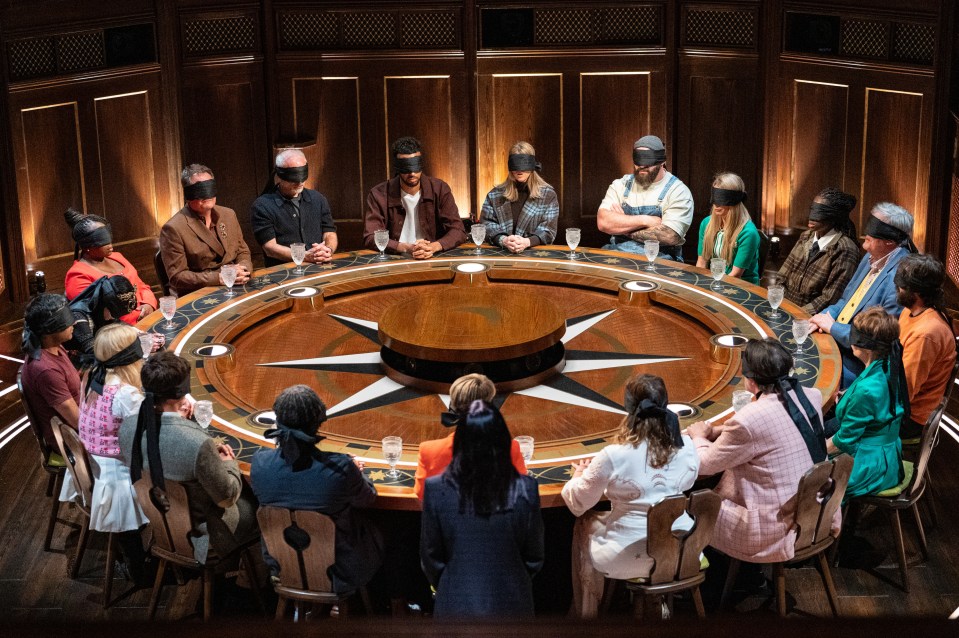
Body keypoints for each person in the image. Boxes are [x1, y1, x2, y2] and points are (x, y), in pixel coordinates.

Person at [562, 373, 699, 618]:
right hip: (683, 551)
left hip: (628, 557)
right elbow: (687, 481)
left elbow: (579, 503)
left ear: (628, 407)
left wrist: (578, 476)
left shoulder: (613, 455)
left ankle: (586, 616)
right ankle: (657, 601)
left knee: (584, 522)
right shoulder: (687, 445)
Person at [687, 339, 830, 564]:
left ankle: (725, 580)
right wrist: (719, 430)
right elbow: (774, 423)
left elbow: (705, 463)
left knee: (694, 505)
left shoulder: (748, 420)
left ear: (751, 381)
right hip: (818, 513)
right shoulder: (810, 396)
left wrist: (699, 436)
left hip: (774, 530)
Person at [119, 351, 258, 562]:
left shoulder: (127, 427)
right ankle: (253, 575)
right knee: (259, 502)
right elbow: (227, 498)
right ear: (181, 392)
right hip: (201, 536)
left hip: (158, 521)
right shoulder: (197, 443)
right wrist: (230, 465)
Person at [250, 385, 383, 594]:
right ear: (318, 423)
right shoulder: (341, 468)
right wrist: (357, 472)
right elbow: (367, 499)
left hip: (281, 567)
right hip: (339, 572)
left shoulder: (259, 463)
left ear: (277, 420)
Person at [420, 400, 544, 618]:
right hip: (514, 606)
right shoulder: (528, 488)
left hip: (455, 605)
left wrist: (452, 585)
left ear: (460, 440)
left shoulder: (435, 489)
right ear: (503, 440)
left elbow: (431, 558)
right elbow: (534, 557)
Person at [810, 203, 914, 387]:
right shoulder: (871, 256)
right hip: (837, 340)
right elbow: (845, 300)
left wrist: (833, 328)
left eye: (869, 240)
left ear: (889, 242)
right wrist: (823, 317)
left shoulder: (900, 278)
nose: (864, 246)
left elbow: (877, 338)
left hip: (858, 362)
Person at [78, 323, 150, 584]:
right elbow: (149, 434)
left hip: (94, 465)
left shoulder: (91, 376)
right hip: (118, 475)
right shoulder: (126, 395)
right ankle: (141, 569)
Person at [826, 308, 906, 499]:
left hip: (869, 464)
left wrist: (813, 449)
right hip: (888, 452)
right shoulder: (890, 363)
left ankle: (826, 526)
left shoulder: (867, 390)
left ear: (866, 347)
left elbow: (843, 442)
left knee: (802, 476)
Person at [413, 373, 526, 499]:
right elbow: (521, 497)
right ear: (491, 407)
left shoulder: (429, 451)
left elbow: (422, 497)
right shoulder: (512, 448)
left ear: (452, 406)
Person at [363, 136, 466, 258]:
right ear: (397, 167)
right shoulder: (378, 194)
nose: (412, 173)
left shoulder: (439, 189)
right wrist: (406, 247)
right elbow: (371, 237)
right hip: (395, 258)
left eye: (415, 166)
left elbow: (458, 230)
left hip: (432, 257)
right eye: (405, 167)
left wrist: (433, 247)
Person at [159, 164, 253, 296]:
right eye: (200, 189)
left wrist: (243, 270)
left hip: (235, 285)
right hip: (198, 293)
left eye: (209, 187)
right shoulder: (173, 228)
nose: (207, 194)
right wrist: (219, 278)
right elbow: (177, 277)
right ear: (188, 194)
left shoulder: (229, 214)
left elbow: (242, 251)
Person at [597, 135, 694, 261]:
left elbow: (669, 235)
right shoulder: (621, 185)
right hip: (618, 254)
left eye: (648, 161)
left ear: (662, 161)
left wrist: (622, 228)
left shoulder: (678, 191)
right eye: (638, 161)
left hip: (660, 259)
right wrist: (645, 220)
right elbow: (603, 222)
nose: (642, 166)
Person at [894, 254, 957, 439]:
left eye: (902, 286)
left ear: (918, 293)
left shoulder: (926, 334)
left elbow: (903, 394)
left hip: (910, 417)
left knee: (839, 423)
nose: (897, 288)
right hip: (901, 399)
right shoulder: (911, 312)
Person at [63, 208, 157, 324]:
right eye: (103, 242)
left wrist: (148, 303)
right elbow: (98, 315)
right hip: (118, 332)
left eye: (109, 240)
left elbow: (141, 286)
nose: (110, 246)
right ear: (88, 246)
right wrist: (137, 317)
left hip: (148, 318)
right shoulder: (78, 275)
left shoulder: (117, 257)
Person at [776, 188, 861, 314]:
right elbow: (782, 276)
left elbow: (830, 298)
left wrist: (796, 315)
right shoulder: (806, 236)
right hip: (784, 310)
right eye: (813, 209)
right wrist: (778, 304)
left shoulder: (845, 249)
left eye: (820, 212)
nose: (812, 217)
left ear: (834, 216)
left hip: (810, 320)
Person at [251, 149, 338, 267]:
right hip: (284, 271)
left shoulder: (318, 199)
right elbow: (270, 248)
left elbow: (329, 233)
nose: (300, 182)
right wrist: (304, 256)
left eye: (303, 176)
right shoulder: (263, 206)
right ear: (280, 176)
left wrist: (328, 250)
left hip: (319, 266)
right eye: (294, 178)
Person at [20, 293, 81, 448]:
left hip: (82, 417)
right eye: (66, 321)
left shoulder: (54, 346)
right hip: (70, 440)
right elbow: (76, 421)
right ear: (50, 330)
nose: (73, 323)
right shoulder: (46, 371)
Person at [479, 141, 558, 252]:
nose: (519, 170)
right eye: (516, 165)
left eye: (524, 165)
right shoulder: (495, 195)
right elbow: (486, 225)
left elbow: (549, 230)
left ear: (532, 166)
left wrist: (527, 242)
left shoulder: (548, 196)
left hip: (535, 256)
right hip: (501, 255)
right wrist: (503, 240)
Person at [695, 172, 761, 284]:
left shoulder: (748, 233)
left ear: (734, 200)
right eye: (715, 198)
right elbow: (701, 262)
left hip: (741, 286)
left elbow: (736, 275)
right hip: (714, 281)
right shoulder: (706, 224)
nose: (716, 205)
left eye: (722, 199)